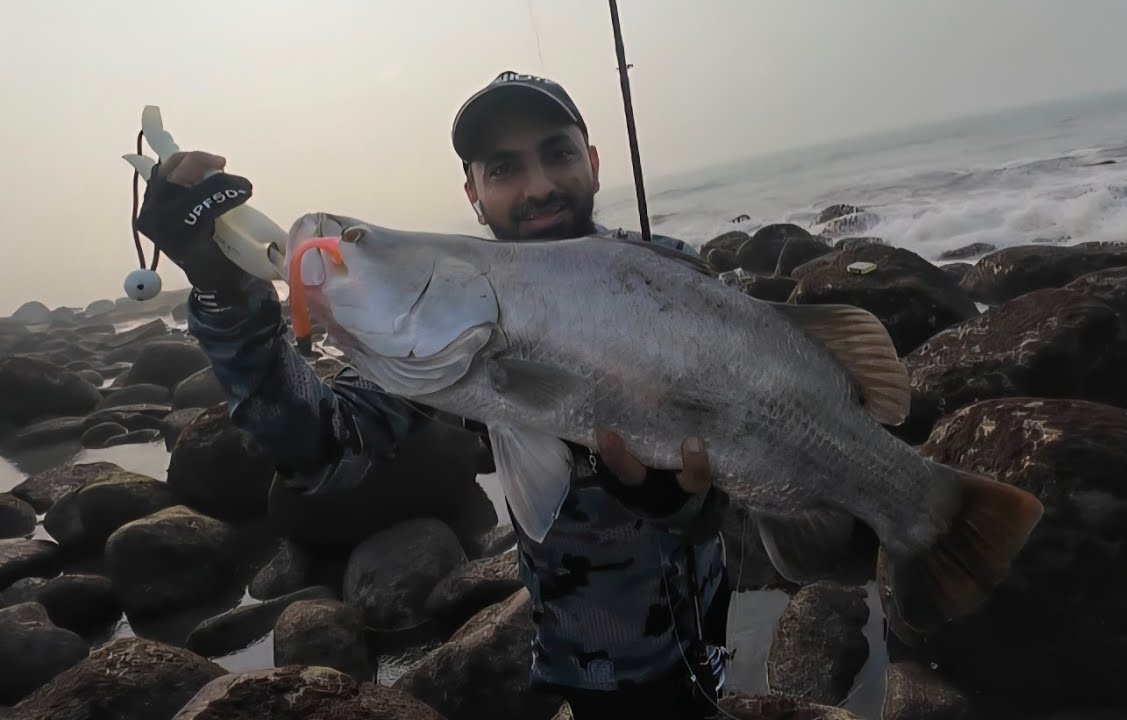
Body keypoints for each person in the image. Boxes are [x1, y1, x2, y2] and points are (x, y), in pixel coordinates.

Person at [133, 71, 733, 720]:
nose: (538, 187)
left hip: (711, 619)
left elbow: (759, 439)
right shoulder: (444, 316)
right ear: (473, 195)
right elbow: (321, 446)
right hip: (598, 660)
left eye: (557, 154)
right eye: (504, 169)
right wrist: (224, 295)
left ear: (590, 163)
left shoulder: (674, 276)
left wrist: (694, 505)